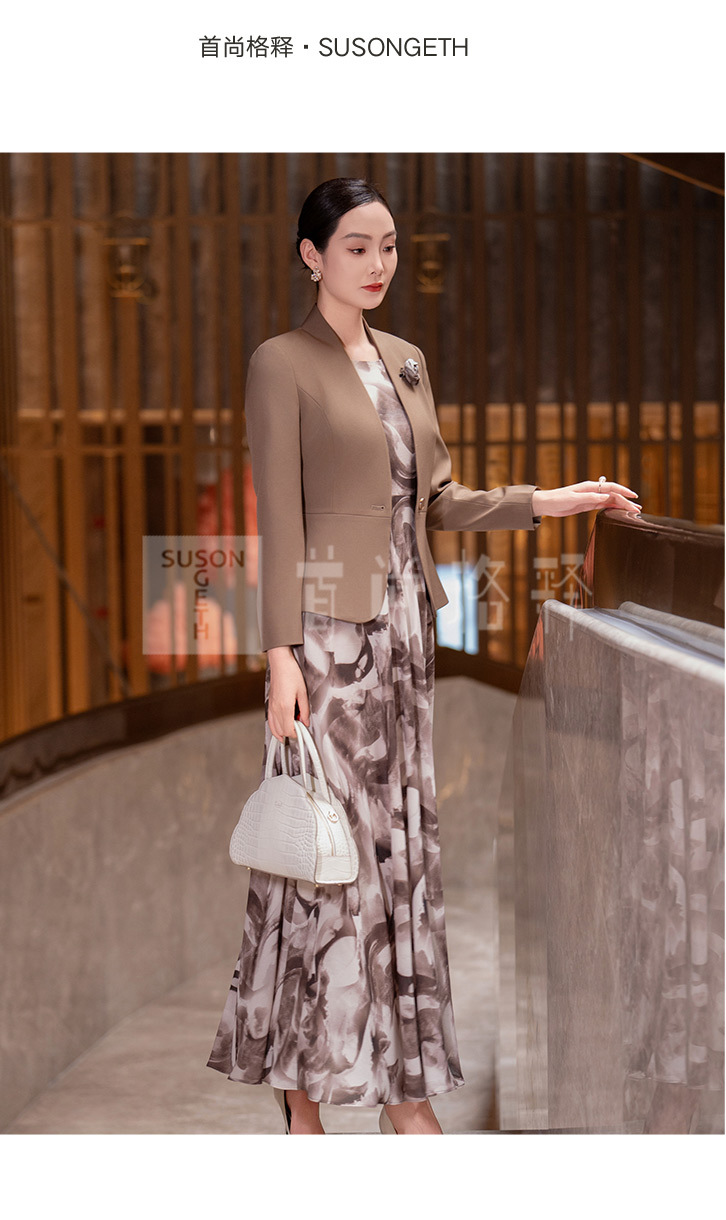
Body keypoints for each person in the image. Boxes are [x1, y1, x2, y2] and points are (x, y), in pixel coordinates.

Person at [206, 178, 642, 1134]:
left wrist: (549, 501)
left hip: (406, 637)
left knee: (401, 857)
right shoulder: (281, 363)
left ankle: (403, 1089)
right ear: (312, 256)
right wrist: (279, 656)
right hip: (327, 639)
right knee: (329, 859)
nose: (378, 265)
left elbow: (434, 501)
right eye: (356, 247)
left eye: (389, 246)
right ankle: (303, 1089)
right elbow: (280, 518)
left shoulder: (405, 360)